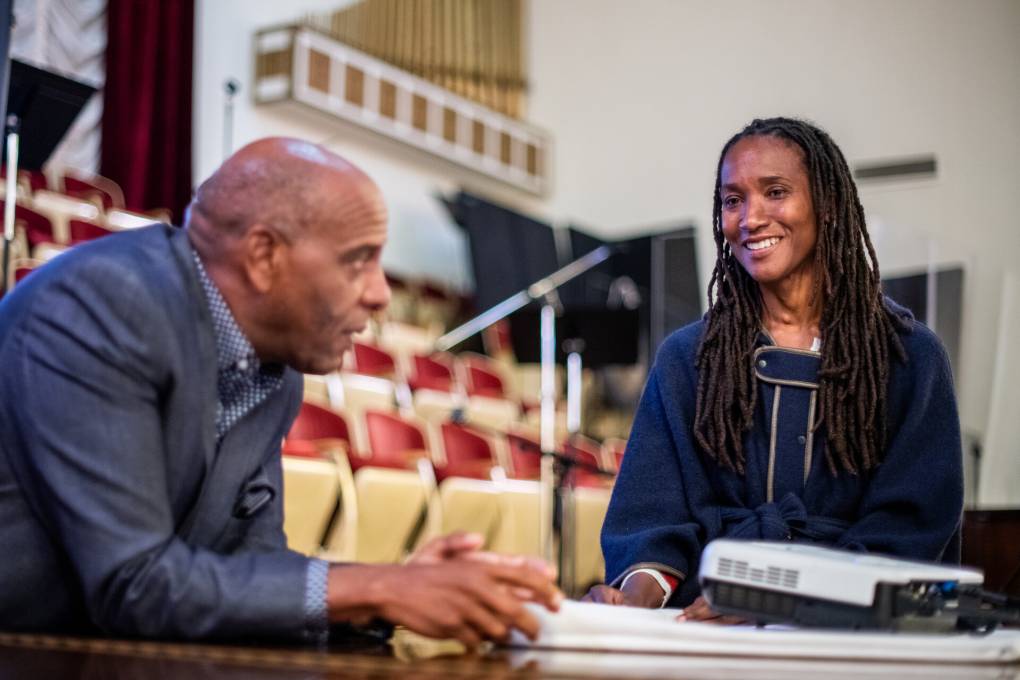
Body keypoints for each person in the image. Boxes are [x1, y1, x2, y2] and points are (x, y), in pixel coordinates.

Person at [0, 138, 561, 644]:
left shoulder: (275, 369)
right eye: (358, 261)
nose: (380, 293)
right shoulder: (101, 307)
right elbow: (135, 584)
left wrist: (400, 588)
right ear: (264, 255)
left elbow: (250, 566)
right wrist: (376, 587)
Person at [585, 117, 963, 620]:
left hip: (854, 630)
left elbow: (910, 528)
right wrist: (637, 594)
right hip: (705, 622)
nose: (750, 218)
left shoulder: (910, 357)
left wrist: (786, 599)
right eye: (732, 199)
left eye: (776, 192)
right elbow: (653, 517)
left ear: (826, 204)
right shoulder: (688, 358)